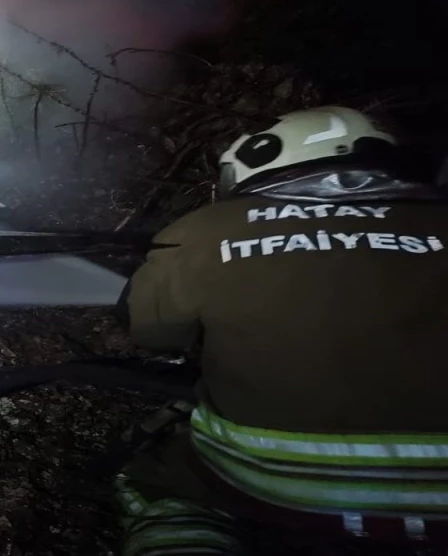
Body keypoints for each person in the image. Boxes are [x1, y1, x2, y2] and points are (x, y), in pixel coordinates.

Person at [113, 105, 448, 554]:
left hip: (267, 477)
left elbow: (152, 333)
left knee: (160, 485)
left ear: (261, 158)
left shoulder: (203, 230)